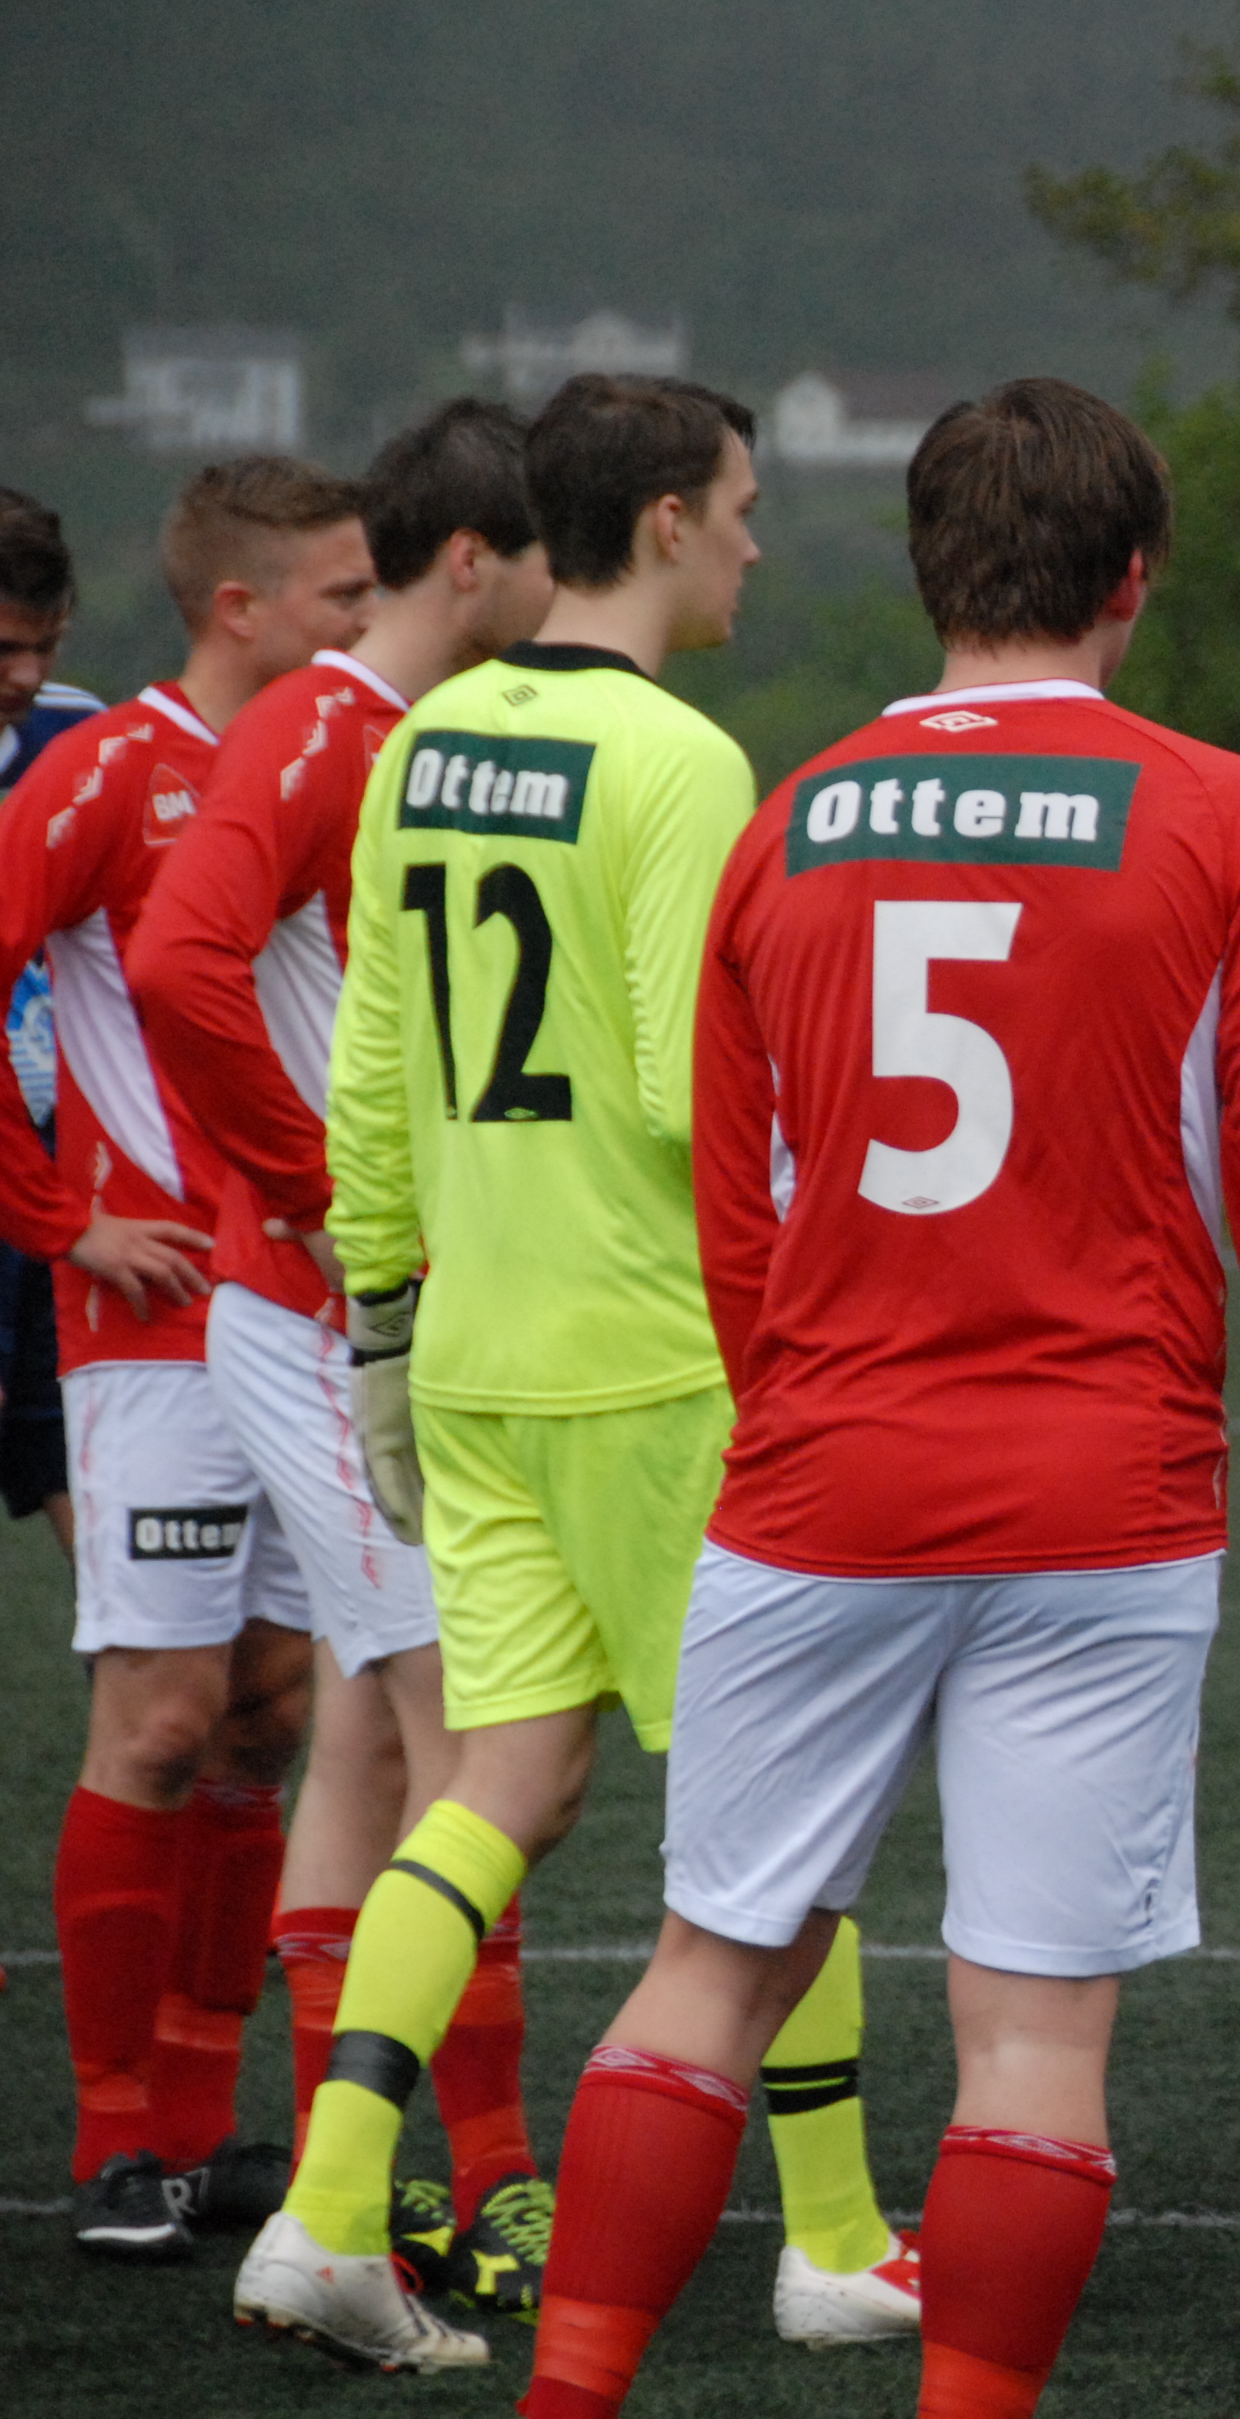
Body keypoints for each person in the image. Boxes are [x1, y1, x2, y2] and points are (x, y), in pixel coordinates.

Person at [517, 376, 1240, 2419]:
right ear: (1133, 577)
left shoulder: (787, 823)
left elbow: (732, 1210)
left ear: (928, 566)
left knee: (708, 1974)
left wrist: (800, 1416)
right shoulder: (1225, 814)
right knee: (1032, 2040)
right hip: (1102, 1494)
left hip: (821, 1477)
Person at [238, 375, 908, 2372]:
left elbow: (369, 1067)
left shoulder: (432, 733)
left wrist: (380, 1319)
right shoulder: (682, 761)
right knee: (782, 1792)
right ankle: (837, 2238)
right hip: (654, 1362)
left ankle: (326, 2214)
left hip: (473, 1357)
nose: (760, 541)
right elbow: (700, 1091)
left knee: (497, 1788)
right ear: (670, 521)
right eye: (744, 505)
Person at [129, 403, 561, 2315]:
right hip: (322, 1322)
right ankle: (470, 2190)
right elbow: (178, 961)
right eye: (543, 553)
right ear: (474, 559)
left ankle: (361, 2187)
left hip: (377, 1316)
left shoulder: (427, 735)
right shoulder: (319, 723)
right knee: (481, 1743)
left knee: (379, 1745)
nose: (561, 584)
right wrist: (310, 1188)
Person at [1, 459, 369, 2263]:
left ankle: (213, 2124)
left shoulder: (346, 757)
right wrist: (57, 1217)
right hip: (149, 1327)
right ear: (242, 606)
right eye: (342, 594)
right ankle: (113, 2140)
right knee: (158, 1717)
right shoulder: (105, 769)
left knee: (274, 1713)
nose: (369, 621)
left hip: (310, 1315)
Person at [0, 489, 106, 1556]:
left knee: (94, 1492)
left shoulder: (85, 737)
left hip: (58, 1172)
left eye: (46, 645)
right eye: (3, 649)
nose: (26, 676)